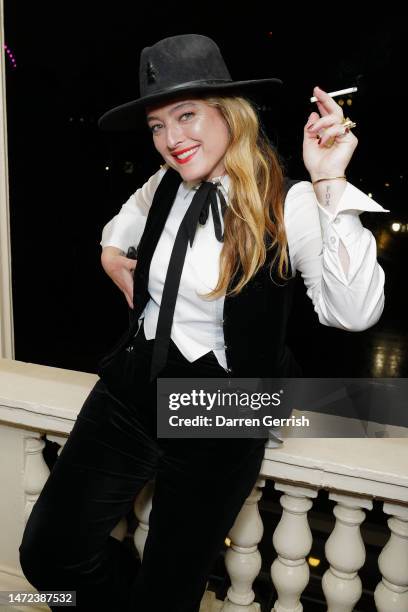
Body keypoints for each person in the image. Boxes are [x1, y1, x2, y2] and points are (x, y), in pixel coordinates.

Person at [19, 34, 388, 612]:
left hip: (221, 408)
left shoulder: (286, 202)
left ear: (228, 112)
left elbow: (354, 312)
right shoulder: (162, 183)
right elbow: (125, 218)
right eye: (157, 126)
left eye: (186, 116)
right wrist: (109, 249)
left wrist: (330, 180)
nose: (171, 141)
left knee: (167, 593)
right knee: (47, 558)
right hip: (131, 388)